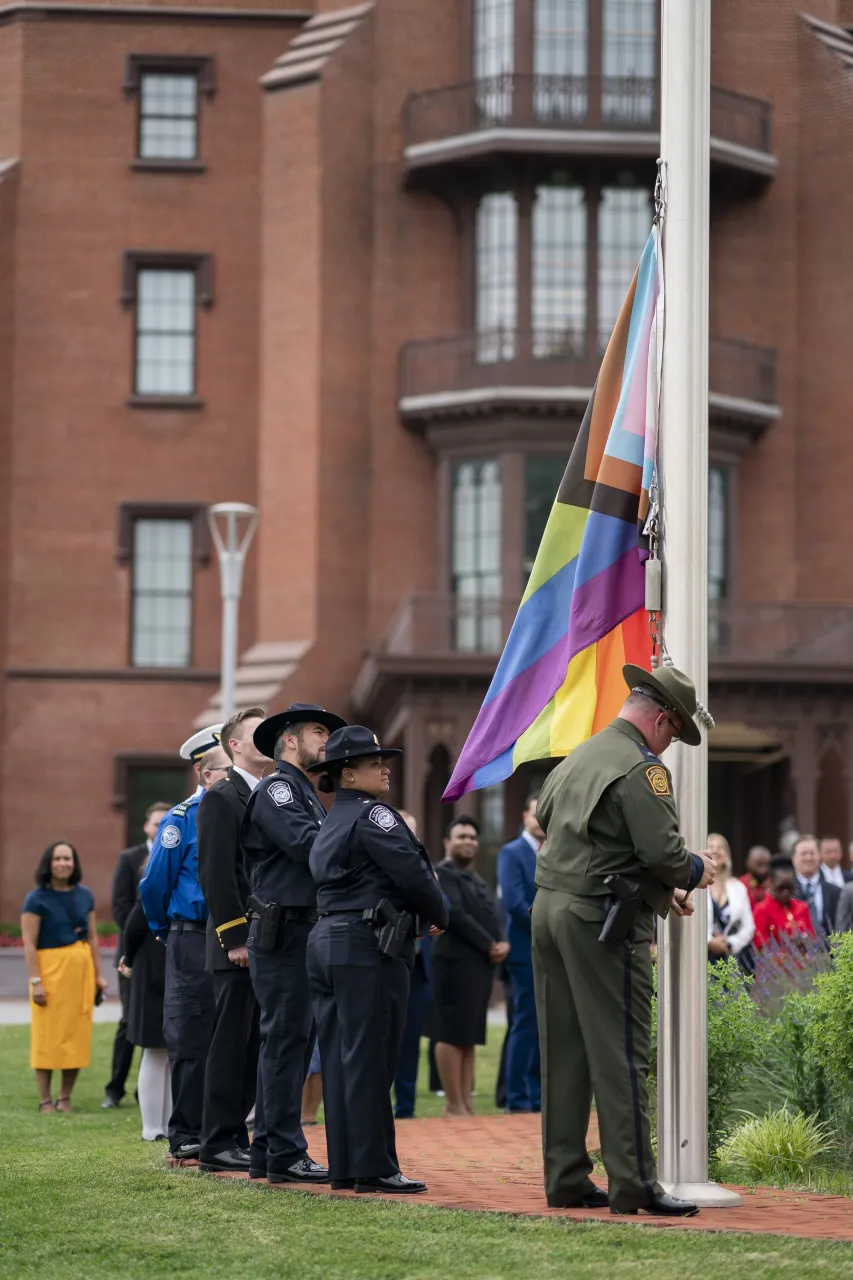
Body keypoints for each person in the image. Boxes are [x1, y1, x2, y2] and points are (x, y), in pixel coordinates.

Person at [531, 663, 716, 1218]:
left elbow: (548, 819)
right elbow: (662, 852)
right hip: (600, 921)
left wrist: (659, 892)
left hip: (550, 910)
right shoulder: (642, 768)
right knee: (620, 1053)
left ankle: (565, 1177)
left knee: (563, 1052)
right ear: (660, 718)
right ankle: (634, 1184)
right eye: (672, 733)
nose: (669, 744)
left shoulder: (580, 754)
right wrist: (695, 871)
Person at [306, 726, 448, 1193]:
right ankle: (375, 1168)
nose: (384, 767)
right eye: (372, 763)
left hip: (329, 941)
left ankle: (348, 1165)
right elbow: (414, 874)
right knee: (371, 1057)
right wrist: (440, 912)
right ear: (347, 773)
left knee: (343, 1058)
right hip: (367, 946)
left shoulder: (332, 819)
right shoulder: (375, 815)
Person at [241, 703, 347, 1185]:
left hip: (299, 928)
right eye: (318, 731)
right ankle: (284, 1151)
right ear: (289, 739)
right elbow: (311, 848)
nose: (327, 741)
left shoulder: (302, 789)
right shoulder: (280, 788)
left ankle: (269, 1149)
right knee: (286, 1042)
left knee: (291, 1042)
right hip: (284, 931)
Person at [139, 725, 228, 1160]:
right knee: (191, 1032)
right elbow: (154, 884)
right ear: (203, 771)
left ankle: (220, 1129)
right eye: (224, 770)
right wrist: (164, 929)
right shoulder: (181, 819)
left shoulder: (237, 813)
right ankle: (185, 1131)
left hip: (228, 934)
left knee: (227, 1033)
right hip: (191, 937)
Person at [196, 707, 267, 1175]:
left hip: (265, 943)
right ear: (234, 745)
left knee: (250, 1046)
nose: (269, 740)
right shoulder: (223, 797)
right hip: (236, 948)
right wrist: (235, 938)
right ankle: (218, 1141)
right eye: (258, 734)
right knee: (230, 1044)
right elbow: (219, 875)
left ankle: (235, 1135)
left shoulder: (264, 794)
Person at [21, 842, 109, 1112]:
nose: (63, 863)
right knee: (46, 1036)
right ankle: (45, 1099)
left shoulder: (85, 895)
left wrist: (98, 975)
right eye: (57, 858)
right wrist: (36, 981)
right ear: (49, 863)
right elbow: (29, 943)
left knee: (76, 1035)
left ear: (74, 863)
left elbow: (92, 937)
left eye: (68, 858)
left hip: (79, 974)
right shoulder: (36, 898)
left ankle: (65, 1097)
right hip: (49, 973)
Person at [431, 815, 507, 1118]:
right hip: (452, 963)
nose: (468, 842)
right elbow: (458, 916)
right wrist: (490, 944)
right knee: (450, 1033)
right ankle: (453, 1104)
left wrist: (501, 941)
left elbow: (491, 914)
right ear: (448, 843)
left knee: (470, 1034)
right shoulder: (442, 874)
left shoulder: (476, 878)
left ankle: (466, 1103)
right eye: (461, 836)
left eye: (473, 837)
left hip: (479, 966)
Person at [102, 801, 170, 1110]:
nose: (158, 829)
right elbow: (120, 906)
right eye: (155, 824)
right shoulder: (130, 858)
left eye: (163, 824)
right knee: (130, 1020)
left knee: (157, 1024)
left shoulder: (173, 855)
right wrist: (139, 941)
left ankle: (150, 1093)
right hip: (135, 951)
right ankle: (115, 1088)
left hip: (164, 953)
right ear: (146, 826)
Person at [497, 795, 543, 1114]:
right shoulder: (511, 852)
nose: (542, 821)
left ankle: (539, 1097)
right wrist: (550, 926)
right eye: (537, 814)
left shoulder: (556, 852)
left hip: (552, 953)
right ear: (525, 815)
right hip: (525, 949)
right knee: (525, 1022)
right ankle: (517, 1098)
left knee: (546, 1026)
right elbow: (514, 902)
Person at [118, 892, 171, 1142]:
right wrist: (128, 961)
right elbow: (132, 928)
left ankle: (169, 1124)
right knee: (154, 1049)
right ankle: (152, 1127)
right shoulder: (152, 887)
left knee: (172, 1054)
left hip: (172, 968)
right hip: (151, 972)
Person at [393, 810, 434, 1120]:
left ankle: (406, 1108)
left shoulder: (424, 865)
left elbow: (440, 905)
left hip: (419, 969)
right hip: (388, 960)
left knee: (411, 1043)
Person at [706, 833, 755, 972]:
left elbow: (749, 927)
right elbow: (689, 922)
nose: (715, 850)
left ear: (727, 855)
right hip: (700, 958)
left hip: (731, 962)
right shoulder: (694, 887)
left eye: (720, 847)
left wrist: (730, 943)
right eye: (711, 846)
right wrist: (709, 942)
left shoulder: (738, 887)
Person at [753, 856, 816, 948]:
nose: (786, 892)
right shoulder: (761, 910)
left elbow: (813, 941)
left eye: (789, 887)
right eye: (781, 888)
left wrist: (805, 942)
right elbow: (761, 949)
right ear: (771, 883)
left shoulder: (802, 907)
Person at [791, 833, 840, 938]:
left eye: (812, 853)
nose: (809, 858)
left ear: (819, 856)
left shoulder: (836, 892)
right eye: (803, 854)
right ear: (793, 858)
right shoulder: (786, 892)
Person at [739, 845, 771, 910]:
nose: (763, 869)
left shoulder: (773, 883)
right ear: (748, 862)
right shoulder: (741, 884)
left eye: (766, 865)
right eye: (759, 864)